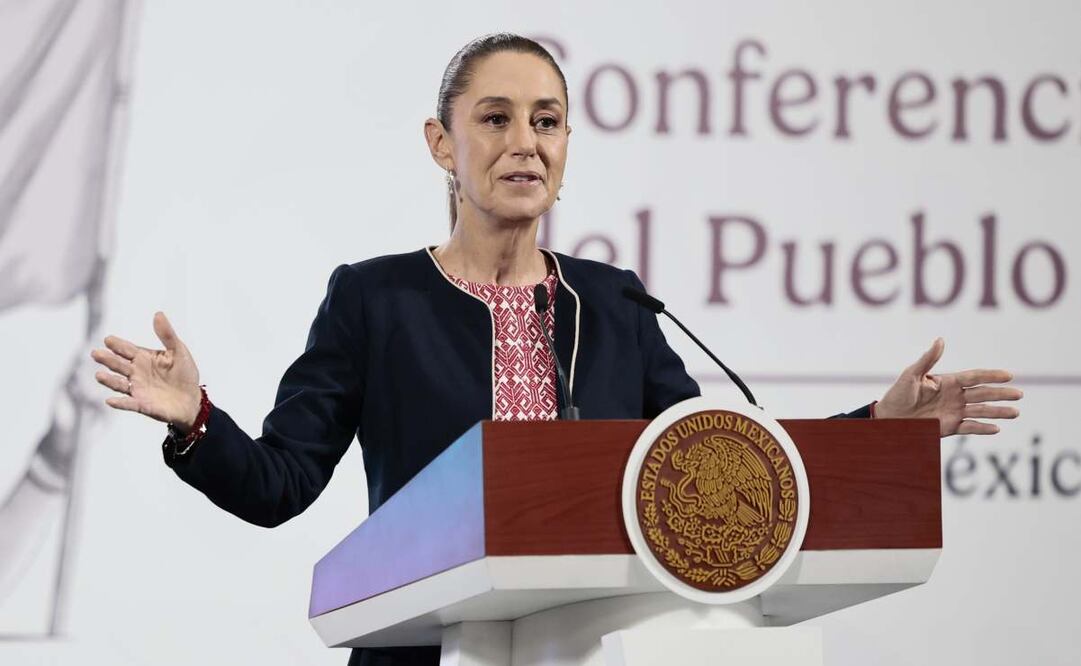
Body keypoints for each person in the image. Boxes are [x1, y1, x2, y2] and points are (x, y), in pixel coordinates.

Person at [88, 33, 1022, 666]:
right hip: (431, 644)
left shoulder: (611, 303)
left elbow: (726, 465)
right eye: (494, 119)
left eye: (545, 121)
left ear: (567, 143)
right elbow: (279, 484)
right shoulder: (375, 299)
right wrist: (197, 421)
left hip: (597, 642)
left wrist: (878, 428)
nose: (523, 142)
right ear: (440, 144)